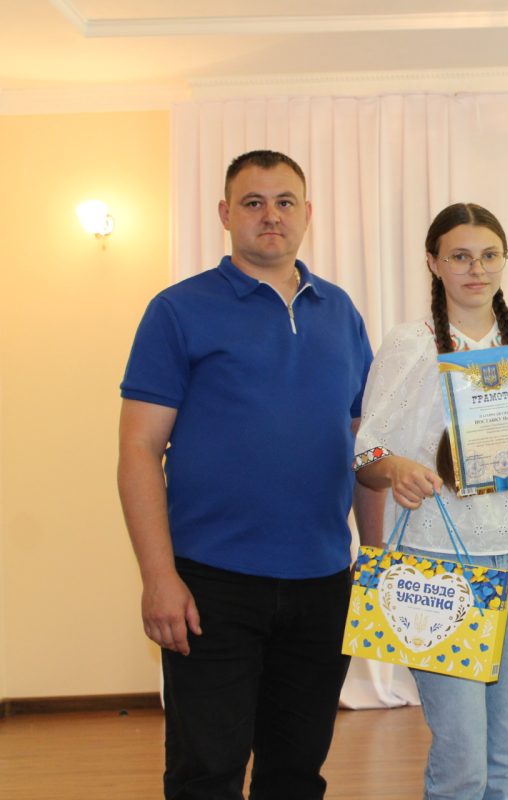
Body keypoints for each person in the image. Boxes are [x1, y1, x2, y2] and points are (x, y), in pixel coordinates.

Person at [117, 150, 377, 799]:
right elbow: (139, 450)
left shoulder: (341, 312)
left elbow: (364, 447)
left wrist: (373, 565)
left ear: (307, 213)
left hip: (323, 584)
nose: (270, 215)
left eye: (285, 202)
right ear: (225, 214)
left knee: (295, 774)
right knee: (206, 774)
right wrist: (159, 578)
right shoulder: (178, 310)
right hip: (210, 585)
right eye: (253, 202)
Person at [352, 202, 508, 800]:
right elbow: (366, 453)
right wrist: (395, 468)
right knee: (462, 764)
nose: (477, 269)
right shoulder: (411, 344)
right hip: (438, 566)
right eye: (461, 256)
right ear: (434, 263)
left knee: (506, 763)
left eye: (489, 255)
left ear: (505, 260)